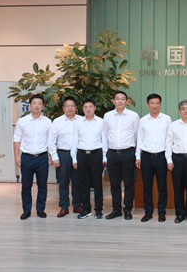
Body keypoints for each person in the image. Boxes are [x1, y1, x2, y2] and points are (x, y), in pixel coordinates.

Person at [13, 94, 52, 220]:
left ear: (43, 106)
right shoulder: (22, 121)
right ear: (30, 105)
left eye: (39, 103)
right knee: (26, 186)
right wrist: (17, 156)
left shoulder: (48, 122)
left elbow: (51, 141)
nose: (37, 106)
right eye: (34, 103)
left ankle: (40, 209)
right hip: (26, 157)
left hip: (42, 157)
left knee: (42, 186)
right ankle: (26, 210)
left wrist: (51, 155)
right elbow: (16, 139)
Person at [103, 91, 140, 220]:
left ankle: (128, 210)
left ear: (126, 101)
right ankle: (116, 210)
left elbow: (137, 136)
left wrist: (137, 155)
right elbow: (105, 135)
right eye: (117, 99)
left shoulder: (133, 116)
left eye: (122, 99)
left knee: (129, 184)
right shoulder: (107, 116)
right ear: (113, 101)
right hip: (112, 153)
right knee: (114, 183)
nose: (120, 101)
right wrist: (105, 155)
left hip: (128, 153)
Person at [136, 94, 172, 223]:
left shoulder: (167, 119)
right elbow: (139, 139)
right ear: (148, 105)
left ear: (160, 104)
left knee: (162, 187)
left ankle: (161, 213)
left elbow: (170, 139)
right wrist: (138, 157)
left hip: (161, 156)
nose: (154, 106)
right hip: (146, 157)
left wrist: (169, 158)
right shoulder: (143, 120)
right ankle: (148, 213)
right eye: (152, 103)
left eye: (157, 103)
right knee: (147, 188)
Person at [71, 99, 108, 219]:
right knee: (83, 184)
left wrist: (104, 156)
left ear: (95, 108)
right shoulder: (78, 122)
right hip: (82, 154)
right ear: (82, 109)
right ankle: (86, 209)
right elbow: (74, 140)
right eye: (85, 107)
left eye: (90, 107)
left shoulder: (101, 122)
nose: (88, 109)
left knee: (97, 184)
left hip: (96, 154)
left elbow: (104, 139)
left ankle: (98, 209)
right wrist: (74, 158)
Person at [48, 96, 84, 217]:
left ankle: (77, 205)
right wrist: (54, 157)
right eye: (67, 106)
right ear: (63, 108)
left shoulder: (81, 120)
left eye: (72, 105)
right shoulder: (57, 121)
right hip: (63, 154)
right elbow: (51, 141)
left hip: (78, 154)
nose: (70, 108)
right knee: (63, 182)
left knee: (77, 181)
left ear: (76, 107)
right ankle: (64, 207)